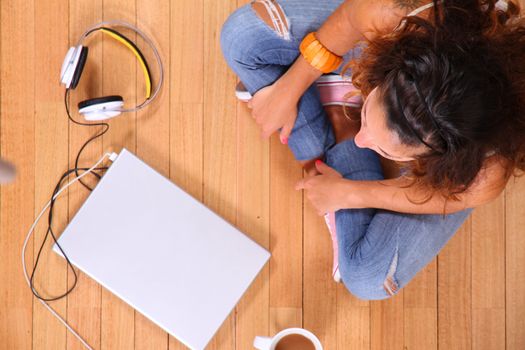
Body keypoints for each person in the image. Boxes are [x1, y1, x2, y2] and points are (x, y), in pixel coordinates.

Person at [220, 0, 525, 299]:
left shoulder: (483, 173)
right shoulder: (394, 15)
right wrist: (287, 91)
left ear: (442, 158)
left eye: (385, 149)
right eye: (367, 112)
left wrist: (350, 193)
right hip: (407, 45)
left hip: (459, 144)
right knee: (240, 37)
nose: (362, 141)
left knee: (368, 279)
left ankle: (336, 121)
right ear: (391, 70)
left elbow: (441, 196)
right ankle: (333, 117)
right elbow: (350, 19)